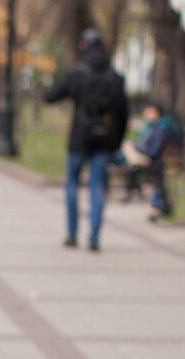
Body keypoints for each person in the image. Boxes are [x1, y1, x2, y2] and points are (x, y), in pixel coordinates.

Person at [44, 28, 129, 251]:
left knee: (72, 183)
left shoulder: (78, 73)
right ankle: (94, 236)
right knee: (97, 186)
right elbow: (124, 114)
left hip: (80, 137)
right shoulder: (115, 77)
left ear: (84, 46)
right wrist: (117, 142)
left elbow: (52, 95)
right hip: (105, 139)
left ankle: (72, 234)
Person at [116, 100, 172, 220]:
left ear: (157, 113)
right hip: (145, 158)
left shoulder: (160, 129)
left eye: (149, 111)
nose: (146, 113)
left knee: (125, 153)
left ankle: (131, 185)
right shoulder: (150, 127)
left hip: (151, 161)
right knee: (125, 150)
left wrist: (137, 149)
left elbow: (153, 151)